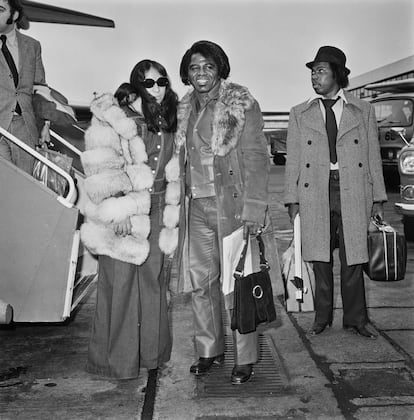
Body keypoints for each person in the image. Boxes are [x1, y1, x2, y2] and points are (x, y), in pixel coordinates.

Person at [174, 40, 280, 384]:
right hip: (196, 206)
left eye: (208, 66)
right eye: (194, 67)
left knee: (237, 286)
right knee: (202, 285)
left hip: (231, 207)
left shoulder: (239, 103)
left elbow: (257, 159)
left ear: (220, 67)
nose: (201, 73)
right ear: (186, 74)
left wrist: (254, 210)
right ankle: (209, 351)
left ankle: (245, 358)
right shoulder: (185, 106)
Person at [80, 59, 180, 379]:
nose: (156, 89)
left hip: (159, 208)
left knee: (153, 283)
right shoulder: (117, 117)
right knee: (120, 283)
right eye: (148, 83)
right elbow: (101, 165)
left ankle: (151, 355)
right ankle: (117, 362)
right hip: (127, 209)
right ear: (136, 85)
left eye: (161, 81)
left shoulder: (166, 119)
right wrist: (117, 207)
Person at [284, 46, 387, 339]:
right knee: (319, 257)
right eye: (312, 72)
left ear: (338, 74)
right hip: (315, 188)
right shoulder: (299, 113)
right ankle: (322, 317)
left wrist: (378, 197)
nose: (314, 77)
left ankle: (357, 319)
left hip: (353, 187)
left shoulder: (361, 110)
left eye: (320, 71)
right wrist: (292, 200)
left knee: (354, 257)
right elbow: (292, 160)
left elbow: (372, 156)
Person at [0, 0, 48, 174]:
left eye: (0, 9)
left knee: (25, 185)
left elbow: (40, 87)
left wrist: (46, 125)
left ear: (14, 15)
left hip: (25, 127)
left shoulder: (32, 46)